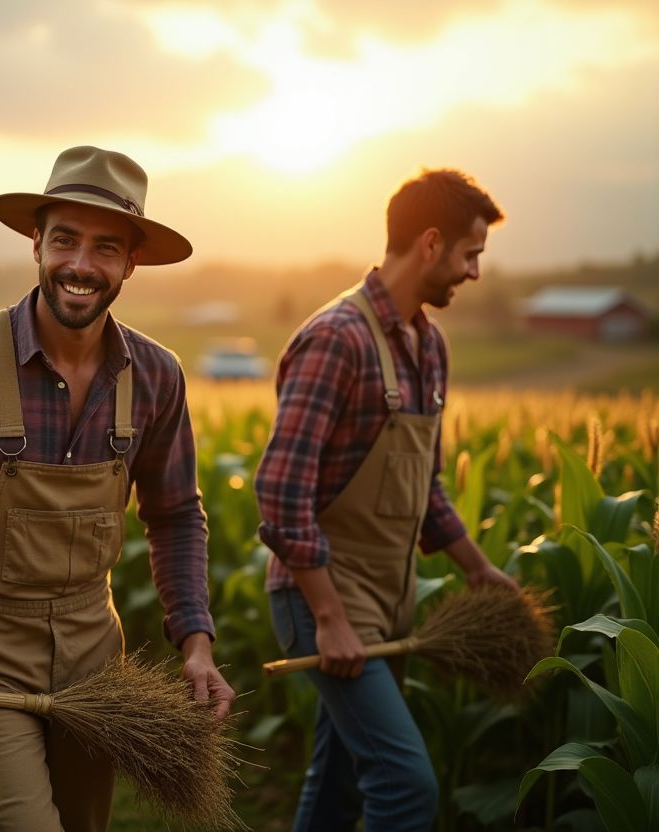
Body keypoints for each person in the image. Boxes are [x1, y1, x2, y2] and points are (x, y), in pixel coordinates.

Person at [0, 145, 235, 831]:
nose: (81, 266)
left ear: (130, 263)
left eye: (106, 248)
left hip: (95, 658)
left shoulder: (156, 375)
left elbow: (175, 516)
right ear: (36, 243)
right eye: (65, 241)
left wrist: (196, 646)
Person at [254, 168, 518, 831]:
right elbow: (282, 495)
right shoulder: (336, 338)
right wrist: (331, 617)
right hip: (322, 601)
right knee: (406, 787)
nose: (475, 272)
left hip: (388, 600)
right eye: (471, 254)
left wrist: (477, 569)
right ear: (431, 244)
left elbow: (425, 487)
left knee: (340, 781)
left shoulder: (429, 346)